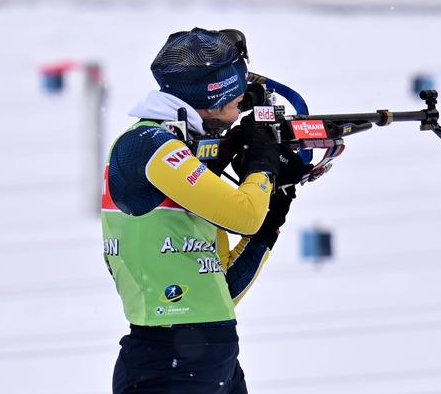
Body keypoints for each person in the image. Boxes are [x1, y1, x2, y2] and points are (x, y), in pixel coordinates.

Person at [101, 27, 304, 394]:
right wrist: (262, 164)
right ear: (212, 97)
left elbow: (218, 293)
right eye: (237, 102)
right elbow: (244, 215)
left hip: (211, 355)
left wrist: (278, 203)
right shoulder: (148, 144)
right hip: (168, 361)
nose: (239, 110)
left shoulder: (179, 152)